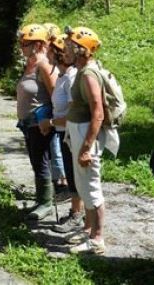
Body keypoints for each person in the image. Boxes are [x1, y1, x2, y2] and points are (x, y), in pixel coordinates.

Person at [64, 26, 115, 255]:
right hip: (80, 134)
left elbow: (98, 113)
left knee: (91, 188)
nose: (65, 49)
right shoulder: (82, 71)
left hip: (87, 136)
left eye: (69, 46)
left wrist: (86, 148)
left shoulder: (88, 74)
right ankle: (90, 231)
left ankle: (97, 239)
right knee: (84, 186)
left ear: (80, 50)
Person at [39, 33, 85, 234]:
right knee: (71, 173)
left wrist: (49, 122)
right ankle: (76, 211)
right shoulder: (62, 76)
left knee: (76, 176)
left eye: (49, 52)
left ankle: (78, 215)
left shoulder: (71, 78)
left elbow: (73, 114)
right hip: (62, 132)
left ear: (58, 55)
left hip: (71, 133)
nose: (46, 56)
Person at [16, 23, 57, 220]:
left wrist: (49, 120)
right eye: (21, 42)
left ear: (39, 44)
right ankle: (41, 200)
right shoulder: (30, 63)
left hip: (39, 124)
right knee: (35, 161)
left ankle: (46, 203)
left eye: (25, 43)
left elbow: (55, 95)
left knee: (41, 161)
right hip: (27, 123)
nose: (21, 46)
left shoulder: (44, 65)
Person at [43, 23, 67, 190]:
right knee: (56, 146)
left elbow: (54, 91)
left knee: (56, 146)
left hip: (60, 118)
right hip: (57, 116)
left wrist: (52, 119)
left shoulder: (65, 74)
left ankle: (61, 178)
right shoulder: (58, 71)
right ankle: (61, 177)